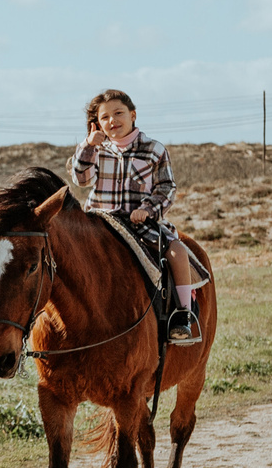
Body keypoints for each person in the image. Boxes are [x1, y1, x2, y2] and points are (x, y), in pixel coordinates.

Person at [70, 88, 202, 344]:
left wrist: (148, 209)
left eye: (118, 113)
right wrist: (88, 145)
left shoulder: (154, 150)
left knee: (176, 250)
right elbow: (81, 179)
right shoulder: (95, 149)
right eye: (105, 117)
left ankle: (182, 315)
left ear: (133, 115)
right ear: (97, 123)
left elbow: (167, 188)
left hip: (139, 225)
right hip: (99, 223)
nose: (112, 121)